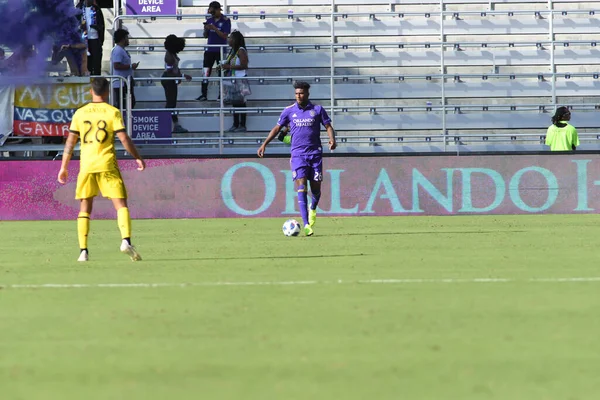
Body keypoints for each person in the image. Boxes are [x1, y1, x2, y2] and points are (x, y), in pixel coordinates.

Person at [57, 77, 145, 262]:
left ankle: (83, 251)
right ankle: (126, 240)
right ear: (107, 92)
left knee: (85, 207)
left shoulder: (80, 113)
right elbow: (124, 139)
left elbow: (70, 142)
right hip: (106, 163)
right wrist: (137, 157)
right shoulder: (112, 112)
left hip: (87, 165)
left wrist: (63, 167)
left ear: (91, 91)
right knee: (120, 204)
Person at [257, 81, 337, 236]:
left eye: (301, 93)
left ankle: (313, 207)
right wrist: (264, 144)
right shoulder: (289, 111)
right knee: (301, 187)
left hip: (315, 154)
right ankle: (306, 224)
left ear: (307, 94)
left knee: (316, 189)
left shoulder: (317, 110)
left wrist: (332, 140)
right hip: (298, 155)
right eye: (296, 93)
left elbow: (328, 126)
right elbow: (277, 128)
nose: (299, 96)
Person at [196, 1, 231, 101]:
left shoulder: (225, 20)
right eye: (211, 11)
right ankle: (204, 94)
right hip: (209, 50)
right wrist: (206, 29)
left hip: (220, 50)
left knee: (221, 73)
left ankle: (221, 95)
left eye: (214, 11)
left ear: (218, 10)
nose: (212, 13)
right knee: (205, 72)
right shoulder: (209, 19)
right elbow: (205, 36)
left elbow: (225, 36)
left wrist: (214, 28)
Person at [161, 34, 192, 134]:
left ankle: (172, 125)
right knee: (171, 104)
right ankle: (171, 125)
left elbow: (175, 69)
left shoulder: (172, 54)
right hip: (169, 80)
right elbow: (170, 71)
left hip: (171, 80)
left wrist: (181, 75)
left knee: (171, 104)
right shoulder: (169, 56)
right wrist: (180, 76)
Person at [222, 30, 250, 132]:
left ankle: (242, 125)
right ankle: (235, 124)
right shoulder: (233, 51)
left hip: (240, 80)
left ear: (235, 40)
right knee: (235, 103)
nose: (229, 40)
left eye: (231, 38)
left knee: (241, 103)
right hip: (234, 79)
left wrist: (228, 66)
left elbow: (244, 65)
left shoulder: (241, 50)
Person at [111, 29, 138, 111]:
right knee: (122, 104)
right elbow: (116, 65)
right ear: (123, 39)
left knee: (130, 102)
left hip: (126, 81)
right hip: (121, 83)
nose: (128, 40)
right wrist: (130, 66)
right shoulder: (118, 50)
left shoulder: (122, 50)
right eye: (127, 38)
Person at [81, 0, 105, 76]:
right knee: (87, 65)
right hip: (84, 41)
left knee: (96, 64)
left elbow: (102, 25)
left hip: (95, 39)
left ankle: (97, 83)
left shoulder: (97, 9)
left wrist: (96, 27)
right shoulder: (79, 9)